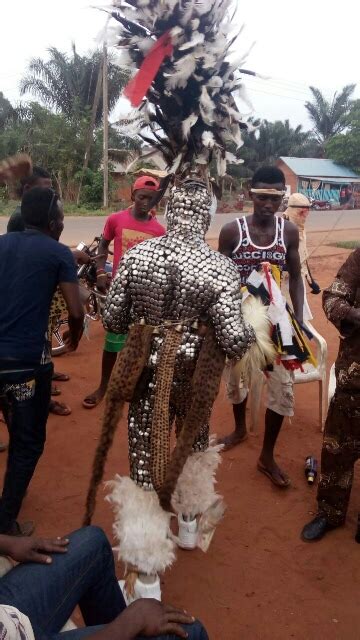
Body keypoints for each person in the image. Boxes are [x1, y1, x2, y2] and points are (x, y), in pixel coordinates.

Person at [0, 187, 84, 536]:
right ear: (53, 224)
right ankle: (5, 525)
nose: (63, 224)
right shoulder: (58, 253)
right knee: (28, 441)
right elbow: (76, 310)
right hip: (26, 364)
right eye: (62, 220)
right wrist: (75, 337)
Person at [217, 166, 304, 488]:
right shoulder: (232, 232)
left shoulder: (289, 232)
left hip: (277, 321)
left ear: (282, 198)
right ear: (251, 193)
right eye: (262, 197)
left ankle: (267, 456)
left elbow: (295, 276)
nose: (268, 204)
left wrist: (295, 317)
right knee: (236, 381)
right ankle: (240, 428)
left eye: (275, 198)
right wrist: (225, 320)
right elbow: (221, 280)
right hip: (239, 318)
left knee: (282, 386)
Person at [0, 525, 208, 639]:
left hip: (7, 614)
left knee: (94, 542)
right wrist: (126, 625)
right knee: (189, 632)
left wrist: (8, 543)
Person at [82, 175, 165, 409]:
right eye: (141, 197)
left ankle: (134, 386)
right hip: (120, 291)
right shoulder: (115, 220)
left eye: (150, 198)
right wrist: (100, 271)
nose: (145, 202)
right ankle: (104, 386)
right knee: (112, 342)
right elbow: (103, 244)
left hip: (145, 294)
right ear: (133, 195)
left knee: (140, 342)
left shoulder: (159, 231)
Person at [6, 165, 76, 417]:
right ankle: (36, 399)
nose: (52, 195)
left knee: (41, 333)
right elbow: (23, 256)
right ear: (27, 189)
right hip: (24, 296)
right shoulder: (19, 219)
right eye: (45, 189)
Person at [301, 249, 360, 541]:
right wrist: (356, 315)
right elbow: (332, 299)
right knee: (338, 449)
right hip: (355, 377)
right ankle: (331, 513)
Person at [282, 192, 317, 321]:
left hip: (298, 282)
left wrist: (311, 281)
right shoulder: (281, 229)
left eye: (306, 212)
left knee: (300, 317)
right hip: (283, 284)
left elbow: (303, 257)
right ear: (292, 210)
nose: (305, 216)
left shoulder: (301, 230)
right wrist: (287, 266)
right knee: (286, 320)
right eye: (301, 213)